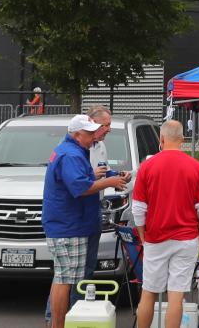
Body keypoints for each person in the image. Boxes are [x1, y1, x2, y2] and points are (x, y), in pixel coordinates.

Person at [44, 106, 130, 324]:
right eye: (90, 133)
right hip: (68, 225)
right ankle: (57, 323)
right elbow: (80, 187)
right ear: (76, 134)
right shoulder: (70, 154)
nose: (95, 136)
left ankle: (63, 322)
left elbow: (83, 179)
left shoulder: (76, 150)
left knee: (67, 278)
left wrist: (109, 177)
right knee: (65, 279)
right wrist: (109, 182)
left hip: (73, 223)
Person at [133, 120, 199, 328]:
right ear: (182, 140)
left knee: (149, 292)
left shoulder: (147, 166)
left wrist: (142, 235)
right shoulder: (196, 166)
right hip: (186, 238)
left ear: (161, 139)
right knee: (176, 295)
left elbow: (138, 209)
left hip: (155, 237)